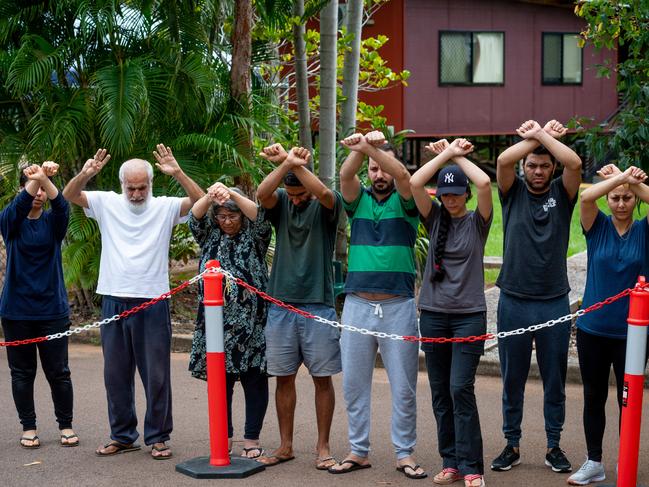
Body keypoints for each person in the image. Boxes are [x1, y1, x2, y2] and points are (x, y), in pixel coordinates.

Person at [62, 145, 203, 459]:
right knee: (115, 374)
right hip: (113, 299)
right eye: (131, 188)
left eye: (142, 187)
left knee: (156, 374)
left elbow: (200, 202)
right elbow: (69, 195)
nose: (137, 194)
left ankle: (158, 436)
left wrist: (178, 172)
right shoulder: (106, 202)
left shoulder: (165, 207)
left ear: (151, 184)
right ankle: (123, 435)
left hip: (152, 301)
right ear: (122, 184)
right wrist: (85, 175)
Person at [328, 131, 426, 479]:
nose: (378, 175)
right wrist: (361, 150)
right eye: (372, 170)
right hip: (357, 304)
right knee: (354, 384)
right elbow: (345, 176)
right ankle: (358, 450)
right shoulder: (359, 201)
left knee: (404, 386)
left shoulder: (407, 198)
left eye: (380, 168)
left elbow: (402, 175)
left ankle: (405, 452)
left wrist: (371, 148)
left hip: (398, 305)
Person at [491, 120, 582, 473]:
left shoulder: (564, 190)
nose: (538, 171)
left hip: (553, 301)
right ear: (524, 167)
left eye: (545, 165)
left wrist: (544, 136)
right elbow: (502, 161)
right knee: (511, 377)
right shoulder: (511, 190)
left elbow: (574, 164)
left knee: (554, 379)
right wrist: (536, 138)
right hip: (513, 299)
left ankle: (553, 444)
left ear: (552, 168)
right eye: (532, 165)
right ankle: (511, 444)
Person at [410, 138, 492, 487]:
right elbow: (415, 183)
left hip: (469, 314)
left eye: (457, 193)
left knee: (461, 388)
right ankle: (451, 461)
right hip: (433, 313)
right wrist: (444, 156)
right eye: (446, 193)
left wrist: (458, 156)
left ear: (466, 195)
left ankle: (472, 466)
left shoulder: (478, 222)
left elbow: (486, 182)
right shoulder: (434, 219)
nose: (452, 198)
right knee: (441, 391)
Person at [255, 145, 343, 470]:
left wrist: (295, 165)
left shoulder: (324, 206)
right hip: (280, 305)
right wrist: (285, 164)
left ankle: (323, 447)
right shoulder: (281, 204)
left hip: (318, 304)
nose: (295, 199)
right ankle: (285, 446)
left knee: (322, 378)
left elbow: (323, 192)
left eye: (299, 194)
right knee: (283, 377)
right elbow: (262, 192)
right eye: (290, 194)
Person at [567, 164, 649, 485]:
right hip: (593, 330)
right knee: (594, 396)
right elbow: (587, 197)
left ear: (636, 201)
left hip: (633, 333)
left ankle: (625, 462)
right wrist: (618, 180)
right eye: (614, 197)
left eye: (627, 198)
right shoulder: (596, 225)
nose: (620, 203)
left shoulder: (644, 230)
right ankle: (594, 461)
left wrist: (630, 181)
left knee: (627, 401)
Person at [188, 182, 272, 459]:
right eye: (222, 216)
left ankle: (251, 438)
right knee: (220, 382)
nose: (227, 221)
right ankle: (223, 436)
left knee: (254, 380)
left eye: (232, 216)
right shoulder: (210, 235)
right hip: (215, 322)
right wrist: (211, 196)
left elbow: (258, 215)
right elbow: (195, 217)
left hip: (251, 322)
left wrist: (233, 194)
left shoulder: (255, 235)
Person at [0, 162, 77, 449]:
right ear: (22, 189)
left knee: (59, 372)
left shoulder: (53, 225)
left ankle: (66, 425)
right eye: (32, 187)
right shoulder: (11, 222)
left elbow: (62, 206)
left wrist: (44, 179)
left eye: (42, 189)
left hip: (52, 310)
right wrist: (37, 178)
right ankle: (28, 427)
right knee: (22, 373)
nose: (38, 193)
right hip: (16, 311)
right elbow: (19, 206)